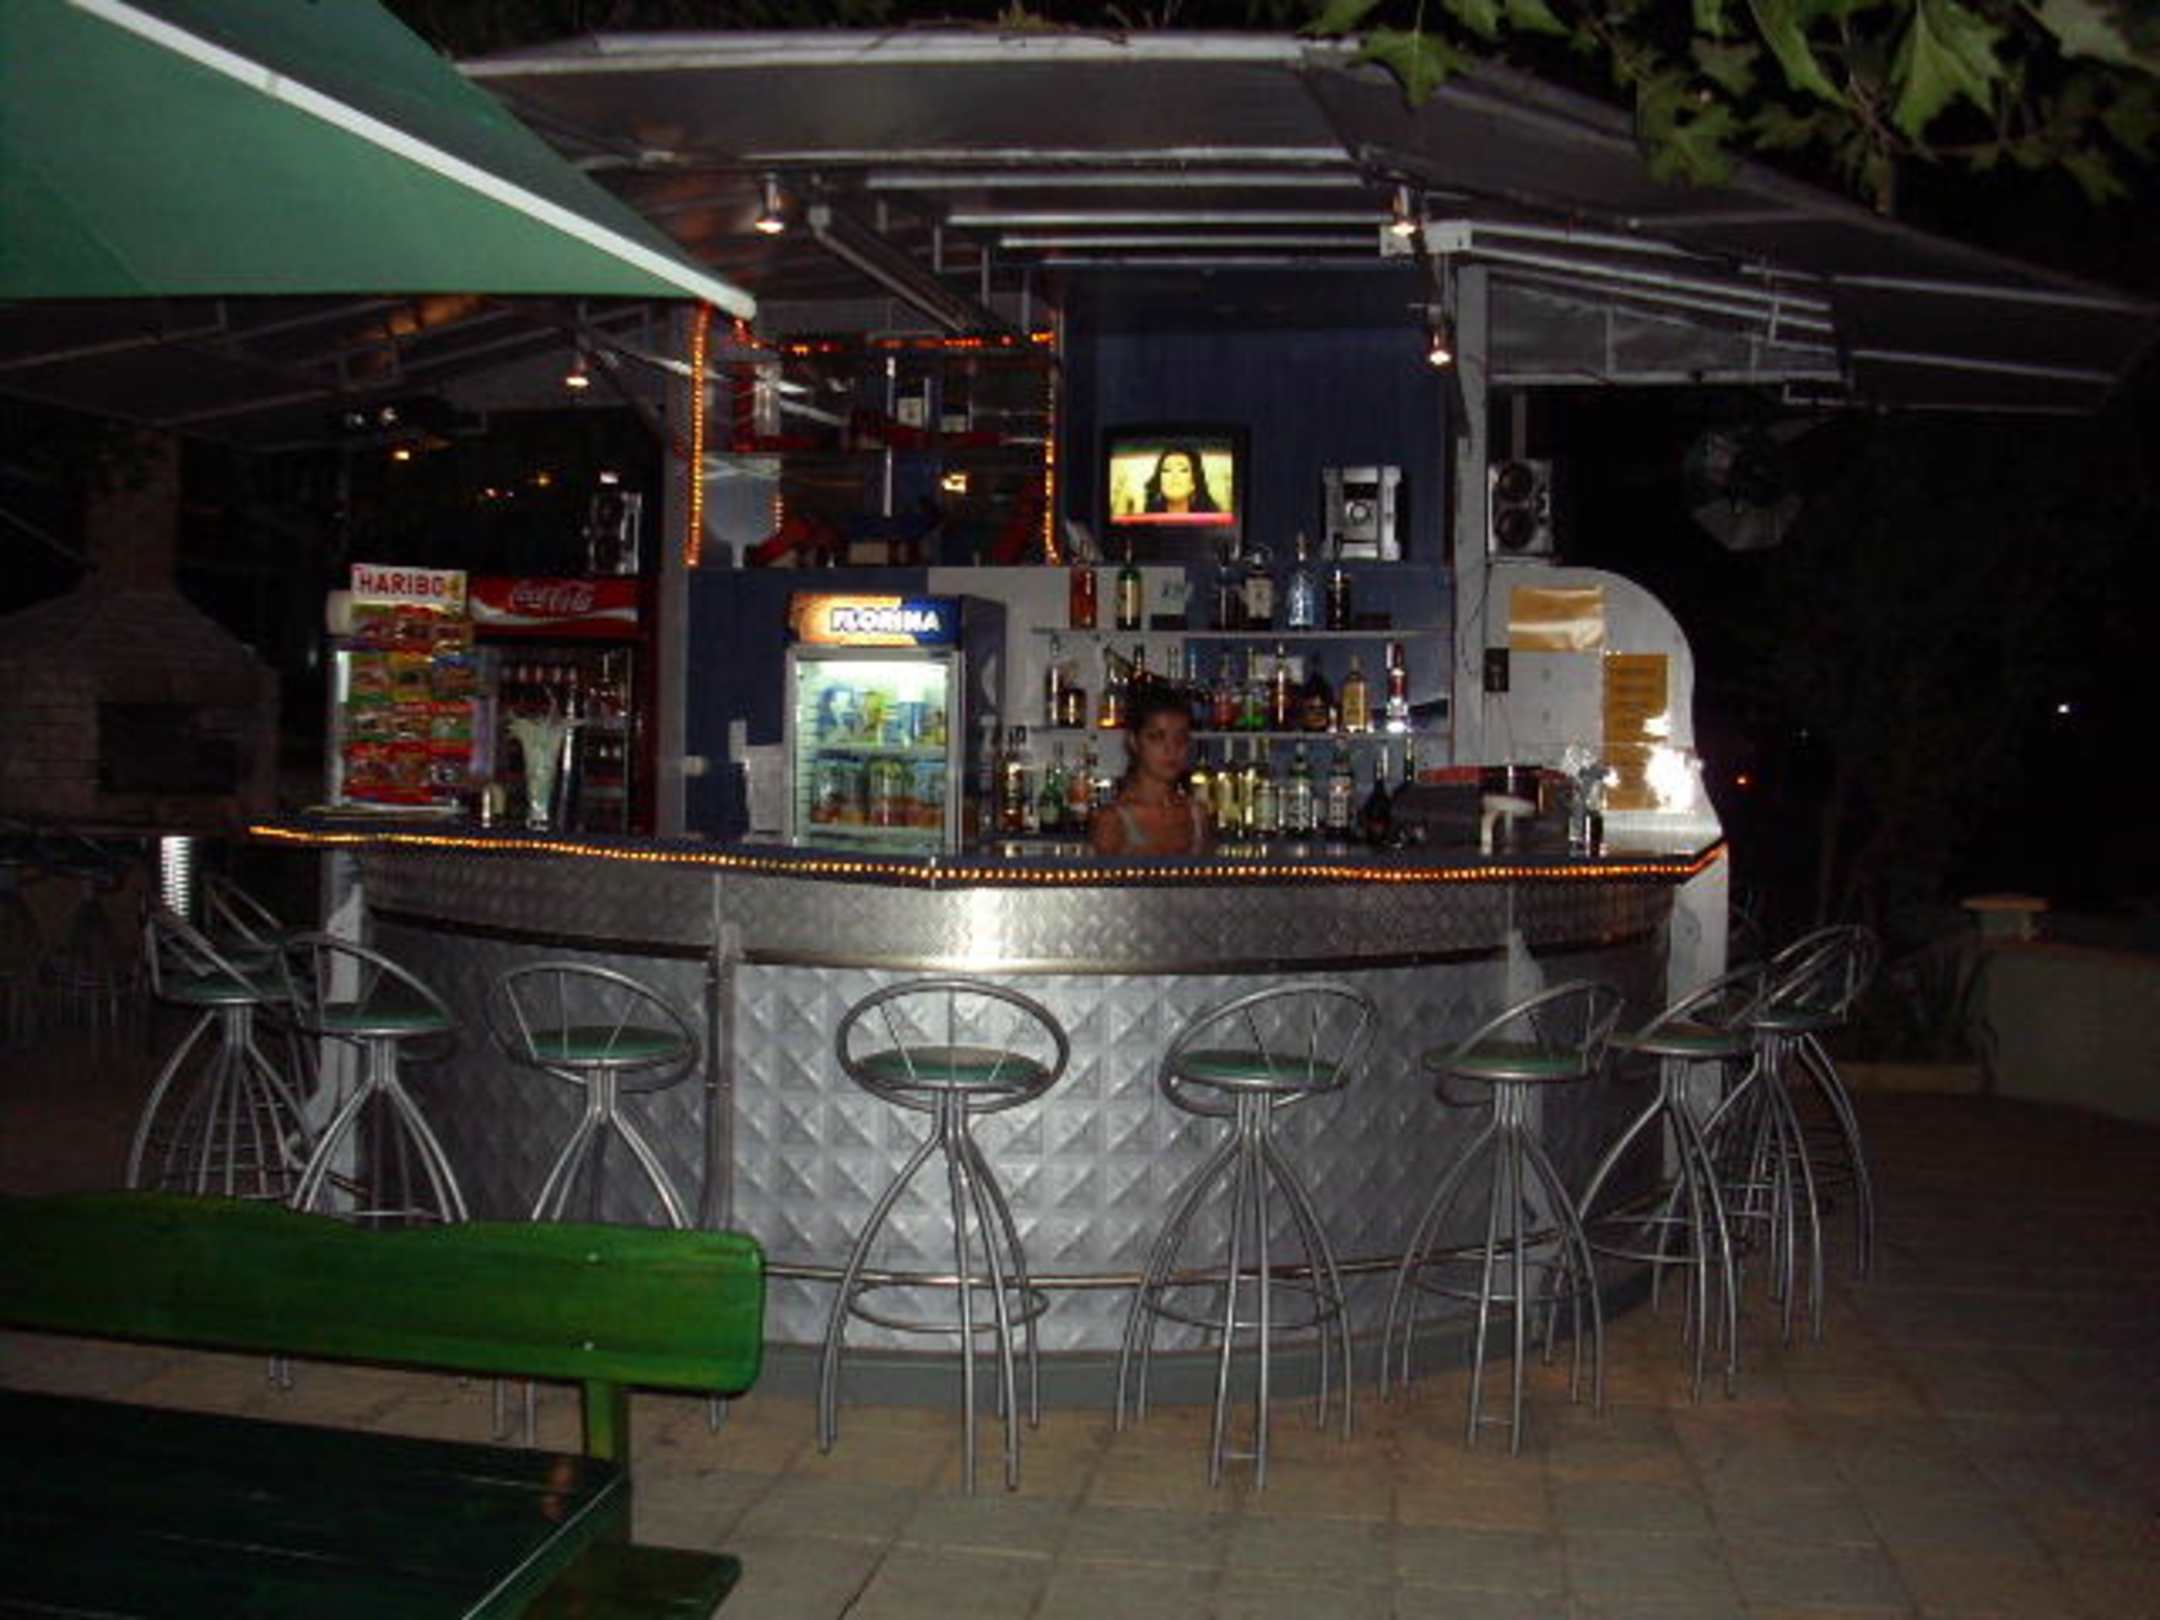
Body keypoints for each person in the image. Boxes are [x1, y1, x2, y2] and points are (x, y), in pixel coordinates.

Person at [1091, 684, 1212, 855]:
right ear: (1134, 741)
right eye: (1157, 737)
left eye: (1180, 738)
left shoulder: (1196, 815)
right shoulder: (1114, 820)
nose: (1171, 749)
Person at [1142, 446, 1221, 516]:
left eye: (1183, 470)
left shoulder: (1211, 519)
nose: (1174, 475)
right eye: (1166, 470)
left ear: (1193, 483)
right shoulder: (1147, 519)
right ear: (1159, 482)